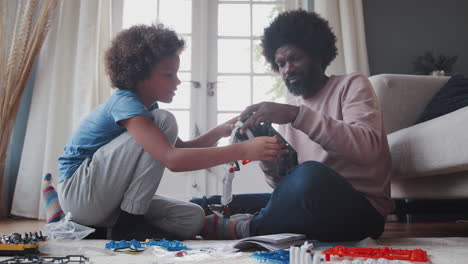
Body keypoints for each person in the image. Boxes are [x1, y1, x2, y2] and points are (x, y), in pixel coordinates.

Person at [57, 24, 287, 241]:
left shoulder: (148, 110)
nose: (177, 81)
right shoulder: (124, 103)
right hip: (81, 193)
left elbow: (179, 150)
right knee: (164, 120)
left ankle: (101, 231)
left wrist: (219, 131)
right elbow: (172, 160)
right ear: (139, 76)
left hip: (104, 203)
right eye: (169, 74)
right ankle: (129, 223)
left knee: (192, 217)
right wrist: (243, 150)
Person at [192, 10, 394, 242]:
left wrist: (294, 114)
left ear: (317, 54)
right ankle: (239, 223)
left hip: (361, 210)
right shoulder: (289, 112)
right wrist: (269, 159)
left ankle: (248, 229)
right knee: (204, 206)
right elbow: (284, 188)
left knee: (310, 173)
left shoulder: (351, 85)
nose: (287, 69)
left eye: (295, 59)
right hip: (308, 205)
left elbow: (367, 149)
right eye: (280, 64)